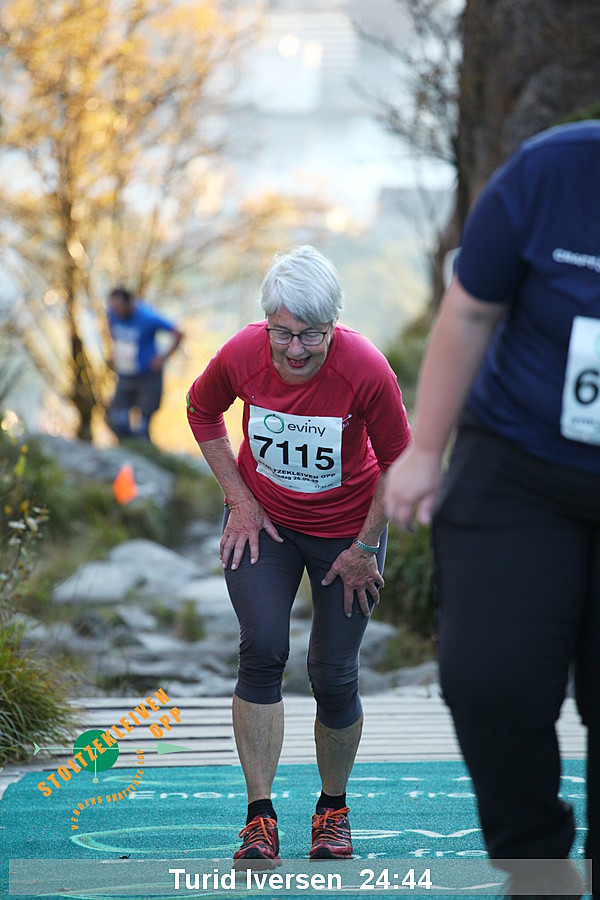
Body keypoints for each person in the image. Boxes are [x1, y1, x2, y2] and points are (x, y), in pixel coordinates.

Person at [384, 120, 600, 899]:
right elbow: (471, 312)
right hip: (519, 462)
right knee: (489, 679)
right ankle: (539, 869)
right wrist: (424, 450)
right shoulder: (549, 171)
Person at [186, 246, 411, 865]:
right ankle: (259, 818)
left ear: (334, 324)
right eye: (282, 332)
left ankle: (332, 811)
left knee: (332, 673)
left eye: (312, 334)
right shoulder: (242, 353)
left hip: (349, 533)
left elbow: (399, 461)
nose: (294, 349)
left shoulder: (365, 368)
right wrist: (239, 498)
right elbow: (202, 411)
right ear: (266, 324)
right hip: (266, 523)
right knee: (262, 649)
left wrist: (365, 546)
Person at [107, 286, 184, 440]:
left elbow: (178, 333)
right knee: (117, 420)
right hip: (125, 375)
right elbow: (112, 330)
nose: (117, 311)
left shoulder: (147, 317)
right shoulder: (112, 314)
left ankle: (142, 448)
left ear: (129, 303)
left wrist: (163, 358)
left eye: (119, 307)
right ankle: (127, 446)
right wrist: (114, 350)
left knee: (143, 425)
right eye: (113, 307)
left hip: (148, 377)